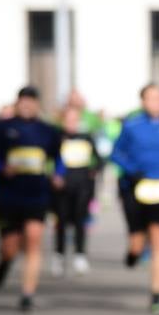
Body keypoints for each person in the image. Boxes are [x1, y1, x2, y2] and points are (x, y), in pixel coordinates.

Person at [0, 86, 62, 311]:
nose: (27, 105)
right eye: (23, 101)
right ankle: (4, 263)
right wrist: (0, 167)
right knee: (10, 247)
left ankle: (27, 294)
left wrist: (58, 174)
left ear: (37, 104)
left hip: (37, 195)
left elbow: (59, 157)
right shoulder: (2, 128)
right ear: (17, 103)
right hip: (9, 196)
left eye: (31, 101)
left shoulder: (47, 131)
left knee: (34, 241)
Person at [111, 84, 159, 315]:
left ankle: (157, 295)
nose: (155, 103)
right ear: (142, 102)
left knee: (158, 241)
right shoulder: (131, 126)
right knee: (137, 240)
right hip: (134, 188)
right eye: (150, 99)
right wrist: (131, 170)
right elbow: (115, 153)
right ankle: (133, 252)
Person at [50, 105, 100, 277]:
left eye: (75, 119)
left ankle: (80, 255)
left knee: (80, 220)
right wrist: (55, 175)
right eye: (68, 119)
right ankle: (59, 256)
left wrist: (93, 171)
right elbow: (50, 159)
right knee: (61, 222)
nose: (71, 123)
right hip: (62, 186)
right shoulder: (56, 137)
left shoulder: (86, 137)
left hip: (82, 185)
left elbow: (99, 159)